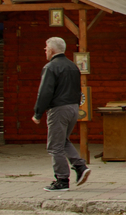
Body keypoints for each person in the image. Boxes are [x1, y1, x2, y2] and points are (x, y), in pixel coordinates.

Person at [32, 36, 90, 192]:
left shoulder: (50, 67)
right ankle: (80, 166)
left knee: (54, 146)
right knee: (62, 141)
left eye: (46, 47)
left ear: (51, 50)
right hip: (73, 108)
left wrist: (38, 113)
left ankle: (62, 180)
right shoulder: (73, 66)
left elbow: (45, 92)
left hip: (58, 109)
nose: (45, 50)